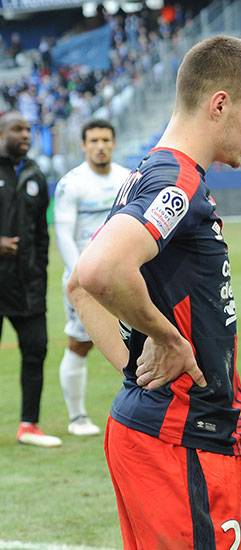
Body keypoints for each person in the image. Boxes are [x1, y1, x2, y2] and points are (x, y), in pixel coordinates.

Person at [66, 35, 241, 548]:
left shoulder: (153, 171)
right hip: (181, 442)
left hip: (161, 431)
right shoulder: (174, 179)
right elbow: (97, 273)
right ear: (220, 104)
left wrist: (135, 374)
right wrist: (167, 339)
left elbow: (79, 286)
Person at [53, 119, 131, 437]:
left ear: (113, 143)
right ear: (84, 145)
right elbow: (64, 233)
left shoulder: (128, 179)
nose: (100, 146)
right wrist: (79, 277)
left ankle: (141, 411)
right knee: (80, 344)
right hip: (84, 281)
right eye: (94, 141)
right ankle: (77, 417)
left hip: (125, 279)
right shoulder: (72, 184)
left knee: (141, 341)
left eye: (106, 140)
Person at [0, 111, 61, 448]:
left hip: (28, 286)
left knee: (36, 350)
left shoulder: (36, 173)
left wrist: (40, 270)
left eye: (27, 129)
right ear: (2, 132)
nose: (26, 134)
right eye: (17, 129)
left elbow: (41, 234)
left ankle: (29, 426)